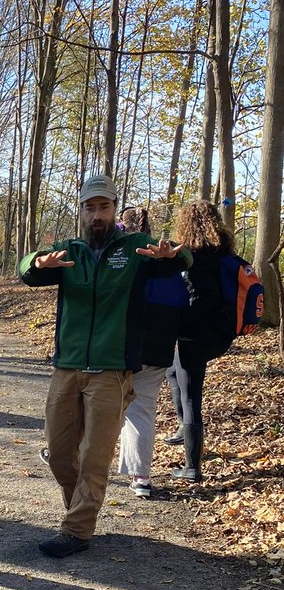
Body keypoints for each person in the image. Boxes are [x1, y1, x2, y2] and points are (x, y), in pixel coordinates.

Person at [19, 175, 190, 558]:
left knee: (96, 454)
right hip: (67, 365)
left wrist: (172, 256)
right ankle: (80, 511)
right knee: (61, 454)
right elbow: (27, 270)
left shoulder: (134, 248)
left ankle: (77, 530)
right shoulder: (70, 251)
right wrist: (36, 262)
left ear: (115, 209)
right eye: (90, 207)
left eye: (104, 207)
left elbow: (181, 258)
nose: (97, 215)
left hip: (112, 370)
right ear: (81, 211)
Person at [116, 207, 189, 498]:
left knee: (99, 403)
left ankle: (72, 458)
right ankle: (140, 478)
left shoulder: (124, 259)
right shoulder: (168, 261)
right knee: (141, 408)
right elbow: (182, 304)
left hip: (124, 347)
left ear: (123, 226)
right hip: (160, 349)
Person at [164, 200, 238, 482]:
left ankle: (192, 467)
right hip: (221, 332)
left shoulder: (194, 257)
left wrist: (179, 324)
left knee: (191, 394)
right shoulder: (223, 253)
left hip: (197, 334)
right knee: (173, 372)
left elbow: (202, 299)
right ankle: (186, 430)